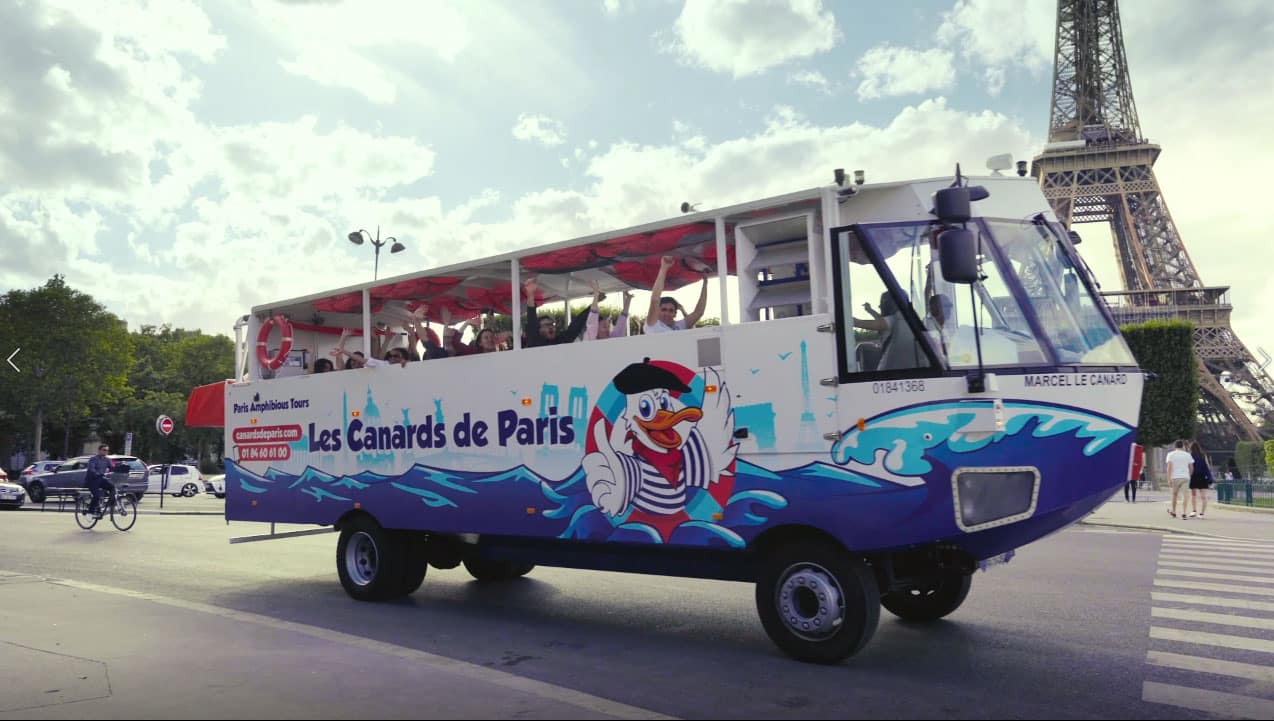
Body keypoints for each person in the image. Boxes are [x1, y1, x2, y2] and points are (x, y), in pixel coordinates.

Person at [645, 255, 708, 334]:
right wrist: (664, 268)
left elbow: (699, 312)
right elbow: (655, 300)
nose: (667, 313)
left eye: (671, 311)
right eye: (664, 309)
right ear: (657, 311)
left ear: (675, 314)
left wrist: (705, 284)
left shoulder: (679, 326)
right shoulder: (652, 325)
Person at [523, 278, 591, 346]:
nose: (551, 327)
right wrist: (530, 294)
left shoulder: (560, 341)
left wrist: (593, 304)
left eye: (552, 324)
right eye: (547, 325)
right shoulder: (534, 341)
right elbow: (532, 319)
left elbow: (575, 326)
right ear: (538, 329)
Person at [1165, 439, 1194, 519]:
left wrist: (1169, 479)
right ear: (1183, 446)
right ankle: (1184, 513)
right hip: (1185, 477)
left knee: (1174, 495)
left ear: (1175, 446)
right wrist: (1189, 475)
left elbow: (1169, 468)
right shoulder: (1188, 455)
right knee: (1185, 496)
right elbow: (1191, 467)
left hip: (1175, 477)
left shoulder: (1170, 454)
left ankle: (1174, 511)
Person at [85, 444, 115, 516]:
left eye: (107, 450)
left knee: (112, 487)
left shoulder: (107, 459)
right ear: (99, 450)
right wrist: (97, 473)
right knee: (97, 496)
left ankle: (110, 504)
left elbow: (112, 468)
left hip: (100, 479)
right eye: (104, 450)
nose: (106, 452)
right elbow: (91, 469)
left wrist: (120, 467)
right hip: (92, 480)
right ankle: (90, 512)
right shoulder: (93, 459)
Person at [1188, 440, 1213, 518]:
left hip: (1193, 476)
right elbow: (1207, 467)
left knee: (1193, 495)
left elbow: (1189, 467)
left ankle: (1194, 511)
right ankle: (1202, 513)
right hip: (1202, 477)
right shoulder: (1203, 455)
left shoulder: (1190, 455)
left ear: (1191, 448)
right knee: (1204, 497)